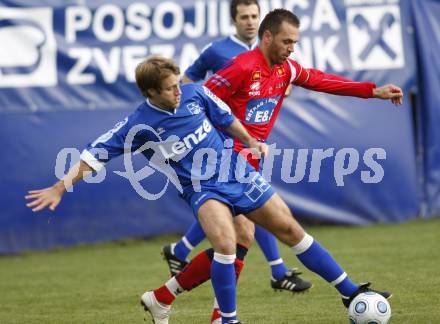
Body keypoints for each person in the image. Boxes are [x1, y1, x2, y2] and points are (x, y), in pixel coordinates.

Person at [136, 8, 402, 324]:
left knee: (241, 241)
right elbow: (199, 103)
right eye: (287, 41)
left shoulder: (285, 70)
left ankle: (166, 297)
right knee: (250, 238)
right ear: (267, 37)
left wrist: (371, 91)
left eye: (295, 42)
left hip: (249, 163)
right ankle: (226, 314)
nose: (292, 48)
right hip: (225, 166)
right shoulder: (241, 67)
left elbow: (320, 80)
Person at [163, 0, 312, 304]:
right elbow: (188, 83)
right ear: (233, 20)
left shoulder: (274, 52)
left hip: (253, 139)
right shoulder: (218, 51)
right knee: (252, 205)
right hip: (224, 142)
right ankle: (277, 271)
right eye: (243, 16)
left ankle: (180, 252)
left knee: (245, 207)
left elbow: (284, 81)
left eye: (254, 16)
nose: (249, 21)